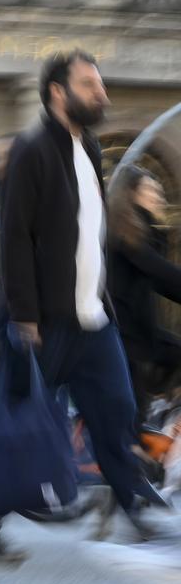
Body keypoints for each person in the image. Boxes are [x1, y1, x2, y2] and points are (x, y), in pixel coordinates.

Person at [0, 50, 174, 564]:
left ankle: (132, 506)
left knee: (117, 413)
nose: (101, 94)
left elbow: (86, 235)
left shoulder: (90, 145)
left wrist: (101, 300)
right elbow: (15, 236)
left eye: (100, 85)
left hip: (92, 319)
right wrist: (24, 315)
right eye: (89, 85)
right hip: (40, 320)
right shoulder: (34, 149)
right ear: (59, 92)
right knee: (16, 422)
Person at [106, 166, 181, 428]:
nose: (159, 197)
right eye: (151, 191)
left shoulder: (141, 233)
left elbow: (164, 283)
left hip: (140, 334)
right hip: (126, 340)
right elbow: (161, 272)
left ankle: (160, 409)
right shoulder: (125, 235)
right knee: (130, 425)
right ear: (131, 195)